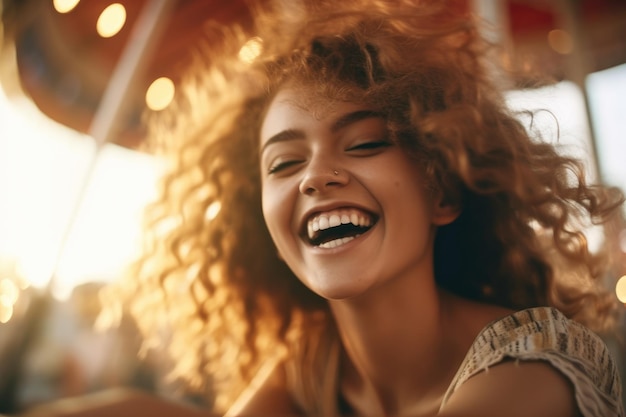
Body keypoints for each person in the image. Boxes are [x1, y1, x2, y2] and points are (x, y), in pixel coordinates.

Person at [18, 0, 626, 416]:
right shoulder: (316, 361)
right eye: (284, 164)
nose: (315, 177)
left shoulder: (537, 366)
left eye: (364, 144)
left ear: (441, 189)